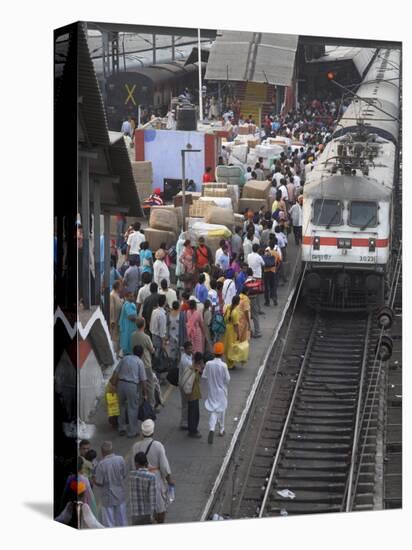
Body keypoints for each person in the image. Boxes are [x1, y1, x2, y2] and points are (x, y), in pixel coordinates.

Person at [129, 420, 175, 523]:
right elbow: (164, 466)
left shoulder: (135, 446)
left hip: (140, 478)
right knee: (160, 505)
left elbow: (132, 466)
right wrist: (169, 479)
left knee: (143, 502)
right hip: (155, 477)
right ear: (153, 431)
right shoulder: (158, 445)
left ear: (142, 432)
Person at [115, 345, 147, 438]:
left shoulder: (125, 358)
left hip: (121, 384)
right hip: (132, 386)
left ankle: (121, 428)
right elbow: (143, 380)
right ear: (141, 354)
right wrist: (145, 393)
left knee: (121, 406)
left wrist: (114, 384)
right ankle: (132, 432)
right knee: (133, 408)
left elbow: (116, 372)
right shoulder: (139, 362)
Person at [94, 441, 128, 527]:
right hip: (120, 494)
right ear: (112, 450)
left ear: (102, 452)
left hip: (107, 497)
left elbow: (99, 483)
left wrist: (92, 479)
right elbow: (124, 475)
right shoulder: (120, 459)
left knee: (109, 523)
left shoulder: (101, 464)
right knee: (122, 520)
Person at [202, 342, 231, 444]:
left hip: (212, 391)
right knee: (221, 410)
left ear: (214, 353)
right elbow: (227, 379)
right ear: (222, 353)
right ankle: (221, 429)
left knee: (214, 410)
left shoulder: (208, 364)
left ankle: (212, 428)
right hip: (221, 392)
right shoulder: (223, 366)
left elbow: (204, 376)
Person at [131, 318, 156, 409]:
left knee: (138, 385)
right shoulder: (146, 337)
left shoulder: (132, 335)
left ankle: (139, 404)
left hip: (135, 363)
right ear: (144, 325)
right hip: (146, 363)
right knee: (150, 385)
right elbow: (152, 350)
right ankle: (151, 406)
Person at [128, 452, 157, 525]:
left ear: (136, 463)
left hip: (135, 513)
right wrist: (153, 516)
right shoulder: (151, 477)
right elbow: (152, 498)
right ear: (146, 463)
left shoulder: (131, 475)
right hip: (147, 513)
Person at [186, 351, 204, 438]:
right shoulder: (194, 369)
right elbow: (195, 380)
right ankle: (193, 431)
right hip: (193, 394)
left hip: (191, 394)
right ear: (199, 361)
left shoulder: (191, 366)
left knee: (191, 413)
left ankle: (191, 429)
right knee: (194, 414)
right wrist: (198, 371)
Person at [223, 295, 241, 369]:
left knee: (227, 346)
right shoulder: (235, 312)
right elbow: (236, 325)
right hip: (232, 331)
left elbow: (224, 318)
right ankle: (231, 364)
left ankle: (228, 362)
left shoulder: (228, 307)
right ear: (238, 302)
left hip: (226, 329)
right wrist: (238, 334)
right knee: (232, 346)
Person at [178, 341, 193, 429]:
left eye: (191, 348)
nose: (191, 350)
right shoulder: (185, 360)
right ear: (186, 349)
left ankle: (185, 421)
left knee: (186, 404)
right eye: (190, 349)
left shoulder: (187, 356)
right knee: (185, 404)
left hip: (185, 382)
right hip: (184, 384)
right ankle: (184, 422)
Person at [118, 291, 138, 355]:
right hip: (127, 327)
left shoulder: (132, 304)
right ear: (126, 297)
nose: (132, 298)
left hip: (131, 327)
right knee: (127, 341)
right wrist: (140, 319)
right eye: (130, 296)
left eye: (133, 296)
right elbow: (131, 317)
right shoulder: (127, 305)